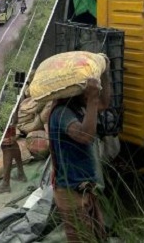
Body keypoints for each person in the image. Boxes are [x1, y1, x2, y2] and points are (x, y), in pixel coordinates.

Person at [49, 74, 111, 242]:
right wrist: (91, 98)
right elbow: (85, 136)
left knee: (97, 236)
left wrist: (105, 72)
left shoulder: (77, 108)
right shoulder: (62, 112)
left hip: (84, 189)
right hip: (71, 193)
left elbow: (104, 104)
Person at [0, 104, 27, 194]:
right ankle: (20, 173)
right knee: (12, 142)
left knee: (6, 146)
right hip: (10, 111)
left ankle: (5, 184)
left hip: (5, 112)